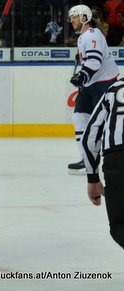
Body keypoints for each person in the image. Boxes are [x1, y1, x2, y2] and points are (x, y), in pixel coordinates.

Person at [67, 4, 119, 175]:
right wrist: (83, 78)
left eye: (74, 16)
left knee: (102, 124)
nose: (71, 20)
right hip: (91, 85)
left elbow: (95, 62)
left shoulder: (92, 35)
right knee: (79, 117)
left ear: (84, 17)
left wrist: (82, 76)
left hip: (104, 84)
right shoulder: (84, 37)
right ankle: (87, 159)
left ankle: (110, 159)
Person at [81, 76, 124, 250]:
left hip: (118, 160)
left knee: (120, 225)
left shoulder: (114, 89)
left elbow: (89, 137)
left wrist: (92, 178)